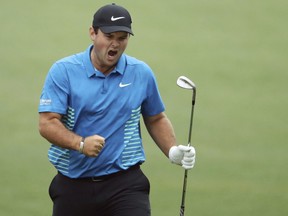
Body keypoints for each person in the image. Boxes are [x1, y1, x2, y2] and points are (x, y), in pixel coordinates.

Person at [38, 3, 196, 216]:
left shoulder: (140, 73)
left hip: (125, 184)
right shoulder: (64, 71)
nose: (115, 44)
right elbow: (47, 123)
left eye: (122, 38)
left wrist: (172, 151)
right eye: (109, 36)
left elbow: (155, 118)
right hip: (73, 184)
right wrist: (81, 144)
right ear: (93, 33)